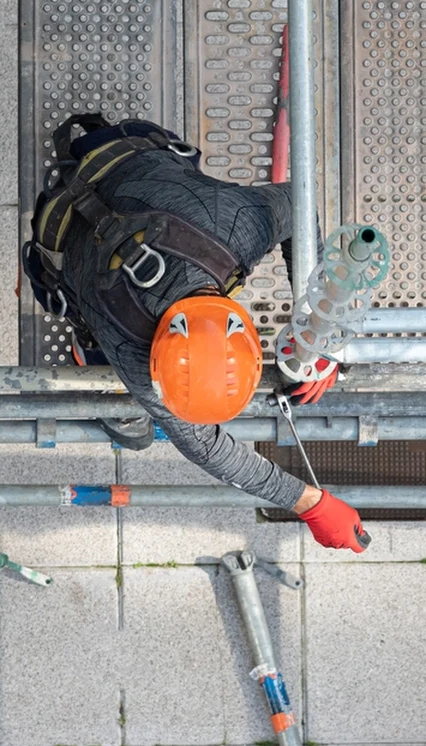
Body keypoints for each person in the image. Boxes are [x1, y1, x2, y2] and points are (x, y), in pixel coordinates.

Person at [22, 114, 365, 552]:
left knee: (127, 410)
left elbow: (300, 205)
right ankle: (86, 355)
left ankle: (88, 350)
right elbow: (211, 451)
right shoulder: (138, 366)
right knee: (133, 432)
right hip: (77, 217)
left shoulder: (233, 227)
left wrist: (316, 332)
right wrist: (310, 506)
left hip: (124, 164)